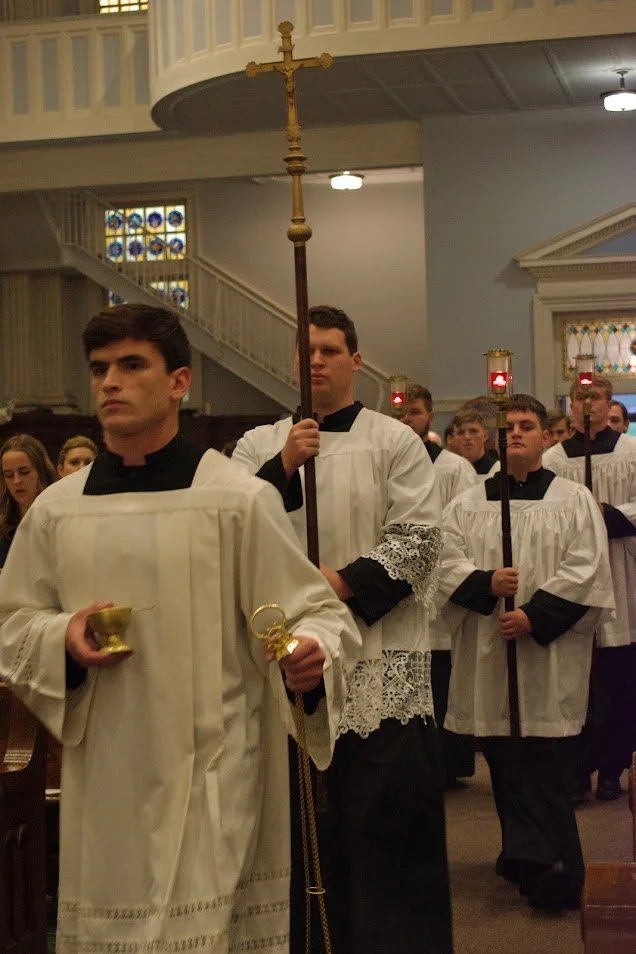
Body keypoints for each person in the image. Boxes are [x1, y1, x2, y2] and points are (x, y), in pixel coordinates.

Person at [0, 303, 361, 954]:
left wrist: (310, 651)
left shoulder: (237, 499)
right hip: (108, 777)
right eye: (99, 369)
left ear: (178, 382)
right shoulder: (57, 512)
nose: (110, 382)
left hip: (216, 773)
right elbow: (13, 621)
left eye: (131, 365)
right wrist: (62, 638)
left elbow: (315, 612)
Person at [233, 306, 452, 954]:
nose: (317, 361)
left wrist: (334, 585)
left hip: (379, 662)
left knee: (382, 836)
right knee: (301, 840)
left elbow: (419, 542)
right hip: (286, 661)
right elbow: (231, 530)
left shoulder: (393, 441)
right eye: (307, 351)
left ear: (356, 361)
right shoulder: (257, 445)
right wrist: (281, 466)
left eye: (330, 350)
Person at [437, 394, 614, 912]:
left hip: (547, 656)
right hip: (491, 654)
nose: (516, 432)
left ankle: (556, 868)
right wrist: (486, 583)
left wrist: (535, 615)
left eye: (527, 425)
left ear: (544, 437)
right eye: (508, 426)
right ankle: (525, 857)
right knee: (504, 761)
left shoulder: (572, 499)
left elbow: (587, 567)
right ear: (497, 438)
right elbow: (444, 561)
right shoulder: (467, 504)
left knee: (548, 763)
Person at [543, 374, 636, 801]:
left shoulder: (630, 452)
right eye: (580, 397)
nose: (588, 404)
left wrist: (606, 512)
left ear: (608, 402)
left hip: (620, 572)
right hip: (575, 574)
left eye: (596, 397)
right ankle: (577, 770)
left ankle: (613, 769)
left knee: (618, 681)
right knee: (577, 680)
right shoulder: (553, 460)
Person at [402, 384, 477, 786]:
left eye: (414, 412)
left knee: (443, 677)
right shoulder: (389, 461)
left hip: (441, 582)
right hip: (401, 585)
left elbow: (465, 525)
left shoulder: (453, 468)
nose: (406, 419)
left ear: (430, 417)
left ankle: (449, 764)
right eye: (400, 413)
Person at [0, 433, 56, 568]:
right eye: (9, 475)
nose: (17, 481)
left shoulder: (59, 523)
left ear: (41, 472)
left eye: (24, 472)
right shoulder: (3, 532)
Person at [452, 408, 499, 476]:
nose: (467, 437)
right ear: (454, 438)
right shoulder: (450, 473)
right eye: (461, 432)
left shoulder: (499, 470)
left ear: (485, 436)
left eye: (473, 431)